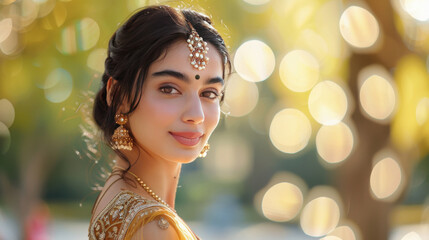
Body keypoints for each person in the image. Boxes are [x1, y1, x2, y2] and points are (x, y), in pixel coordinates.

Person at [88, 4, 231, 240]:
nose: (197, 114)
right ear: (119, 96)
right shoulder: (154, 227)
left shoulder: (117, 193)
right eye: (169, 89)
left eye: (209, 93)